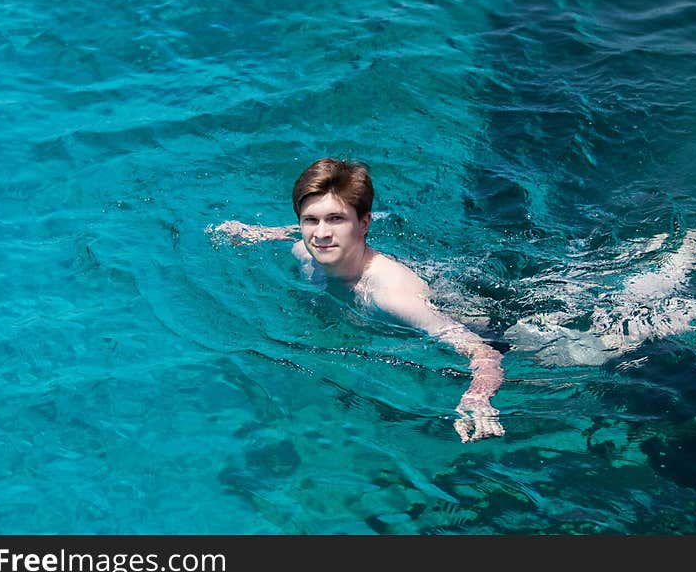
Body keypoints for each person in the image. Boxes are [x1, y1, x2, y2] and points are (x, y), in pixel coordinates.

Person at [214, 157, 505, 443]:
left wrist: (478, 397)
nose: (321, 234)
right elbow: (298, 236)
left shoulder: (389, 297)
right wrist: (260, 234)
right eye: (310, 220)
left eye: (336, 219)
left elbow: (484, 353)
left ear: (364, 223)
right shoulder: (305, 253)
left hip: (492, 325)